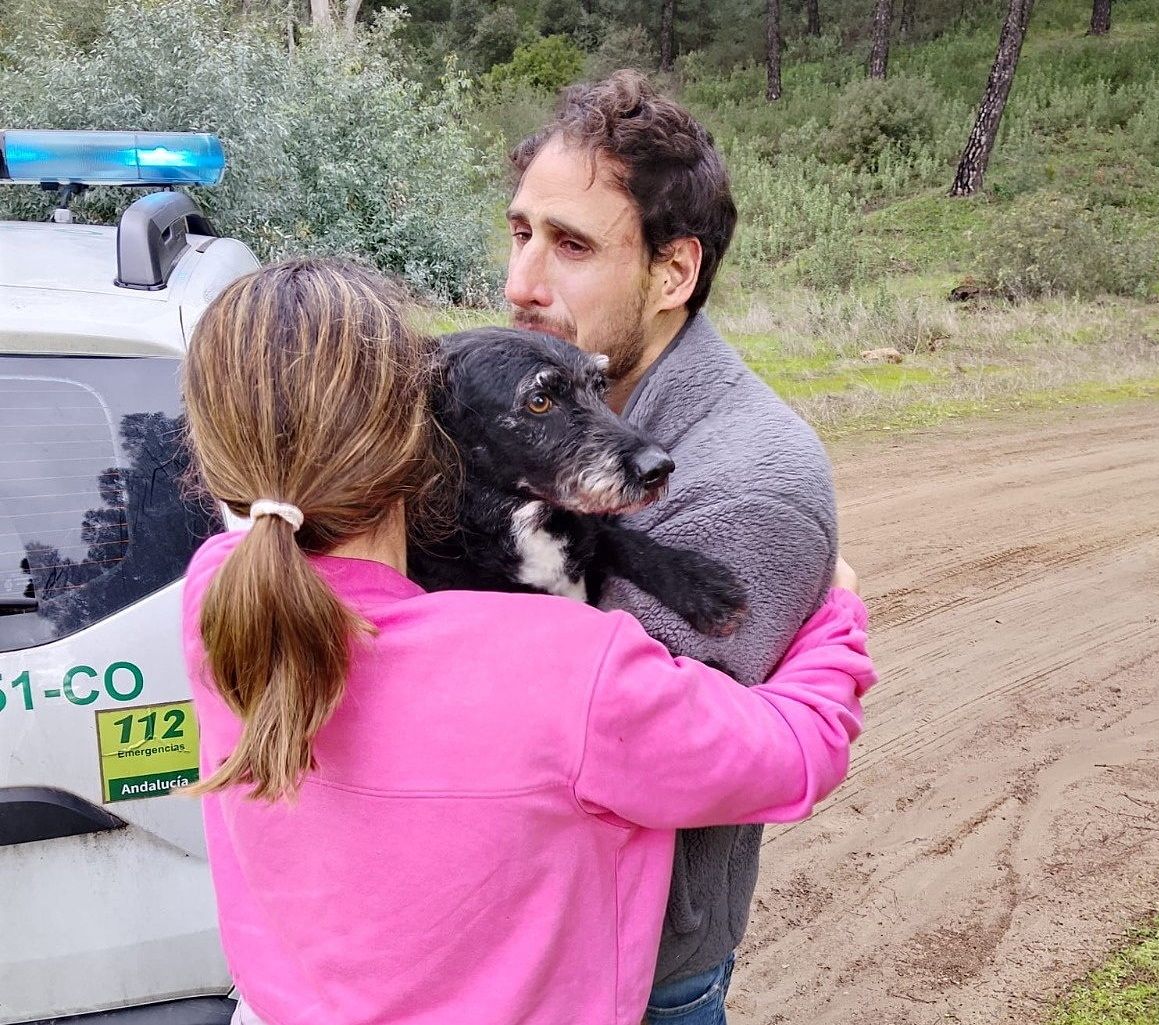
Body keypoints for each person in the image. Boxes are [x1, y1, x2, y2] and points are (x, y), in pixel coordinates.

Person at [181, 258, 875, 1025]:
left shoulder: (216, 599)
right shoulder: (562, 665)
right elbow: (794, 753)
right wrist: (836, 611)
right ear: (423, 435)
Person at [505, 71, 842, 1021]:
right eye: (520, 231)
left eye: (569, 245)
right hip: (513, 952)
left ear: (673, 272)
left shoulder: (747, 480)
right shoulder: (545, 410)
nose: (520, 284)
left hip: (630, 976)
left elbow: (598, 744)